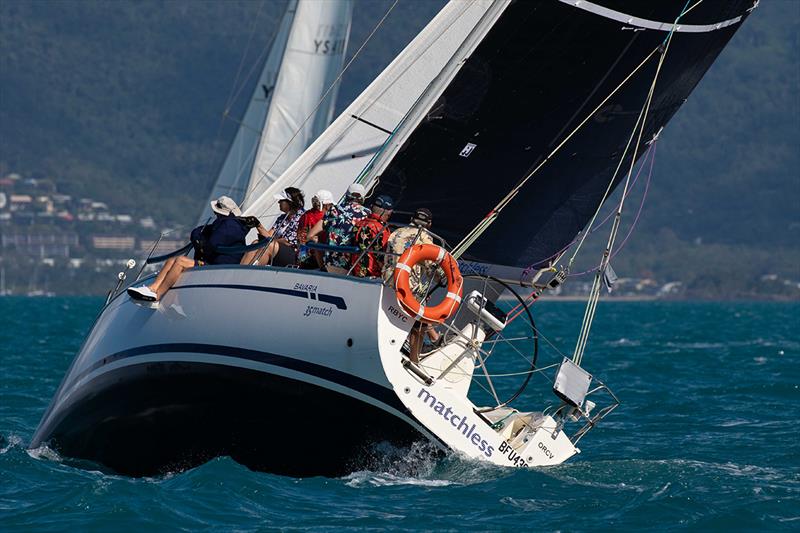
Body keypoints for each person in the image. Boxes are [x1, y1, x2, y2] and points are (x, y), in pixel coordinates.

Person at [127, 195, 251, 301]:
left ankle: (158, 296)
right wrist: (202, 240)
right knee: (172, 260)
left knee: (181, 261)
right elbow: (197, 232)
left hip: (221, 268)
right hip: (213, 264)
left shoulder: (231, 226)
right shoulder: (221, 224)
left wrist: (202, 241)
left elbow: (212, 243)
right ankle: (153, 289)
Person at [307, 183, 370, 274]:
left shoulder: (334, 210)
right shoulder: (366, 214)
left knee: (317, 240)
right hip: (352, 267)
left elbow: (310, 235)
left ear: (347, 195)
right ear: (363, 198)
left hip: (330, 264)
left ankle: (321, 268)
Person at [241, 187, 305, 267]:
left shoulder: (302, 217)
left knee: (268, 246)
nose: (278, 202)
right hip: (279, 250)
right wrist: (258, 225)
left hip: (294, 254)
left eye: (281, 200)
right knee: (256, 243)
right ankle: (239, 272)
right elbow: (268, 237)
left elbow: (288, 242)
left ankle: (249, 273)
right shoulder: (282, 218)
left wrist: (273, 240)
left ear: (289, 202)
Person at [350, 195, 393, 277]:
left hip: (355, 270)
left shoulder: (359, 224)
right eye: (389, 215)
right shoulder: (380, 229)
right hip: (372, 274)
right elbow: (381, 255)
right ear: (385, 213)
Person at [296, 189, 334, 269]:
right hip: (320, 258)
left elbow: (299, 237)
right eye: (330, 205)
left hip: (302, 257)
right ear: (326, 205)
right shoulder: (326, 217)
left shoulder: (305, 215)